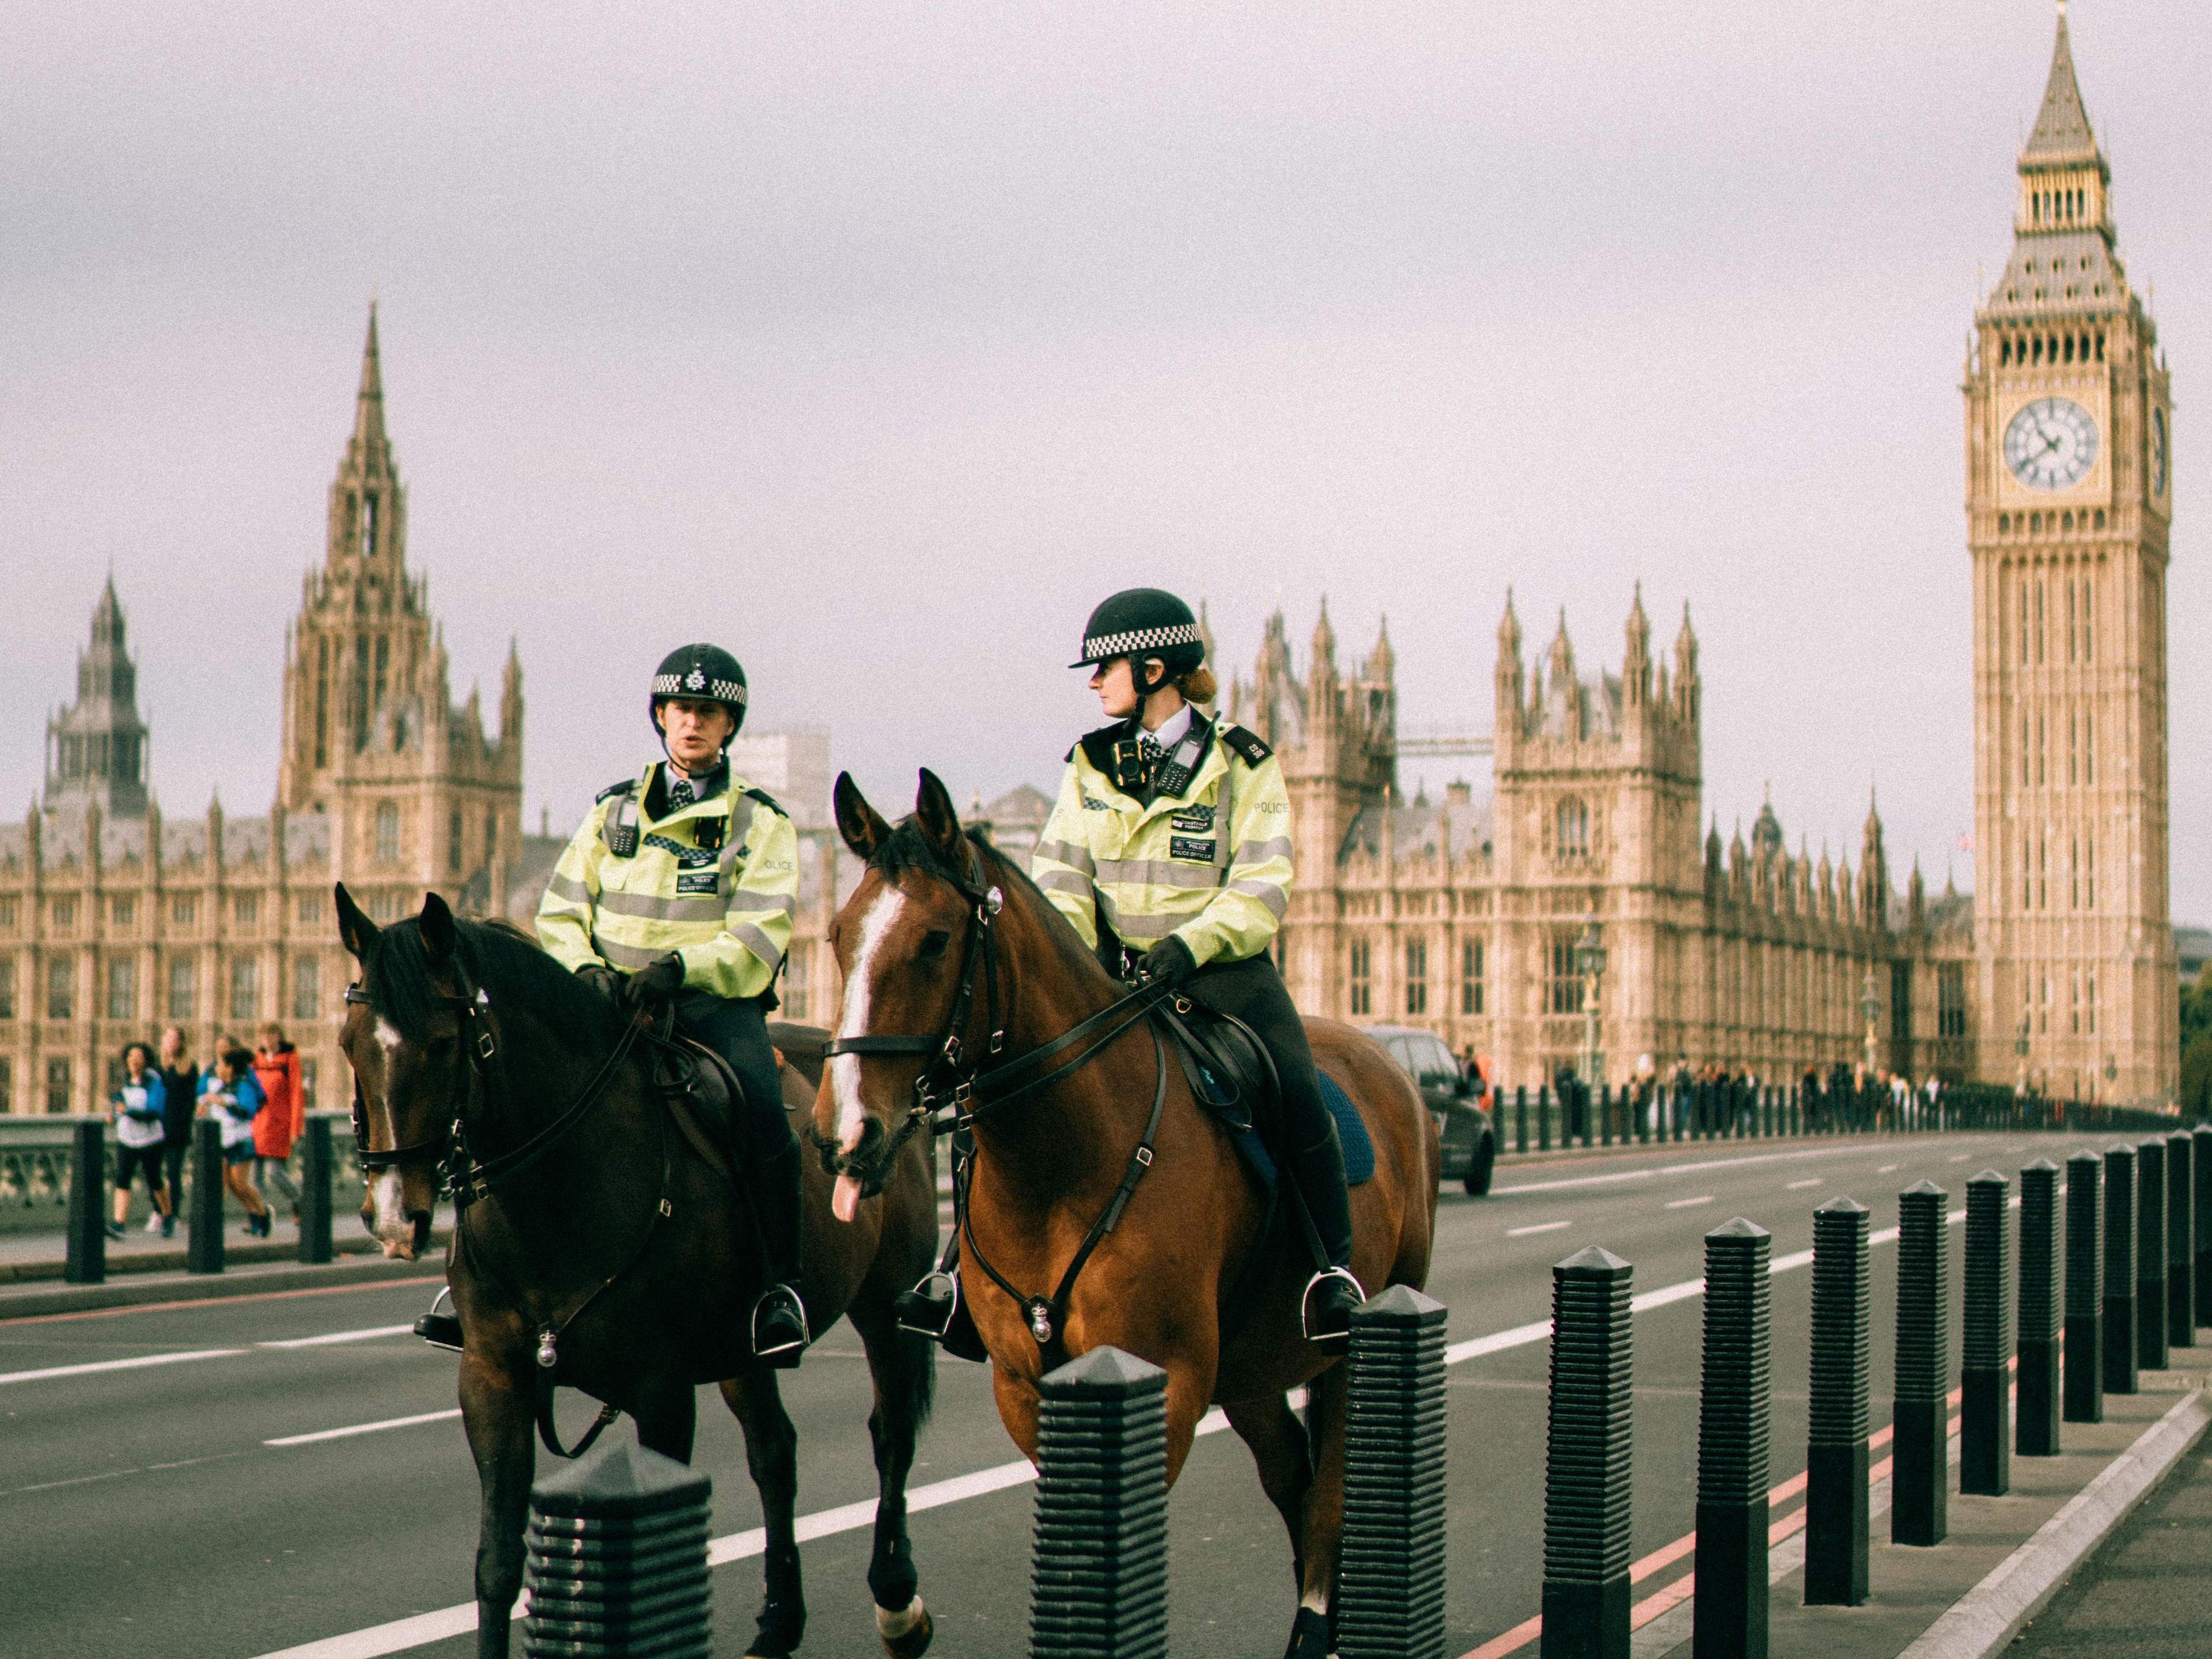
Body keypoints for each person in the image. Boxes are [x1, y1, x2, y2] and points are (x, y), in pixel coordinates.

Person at [1024, 586, 1363, 1347]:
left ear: (1153, 668)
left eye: (1103, 666)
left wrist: (1191, 945)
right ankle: (959, 1270)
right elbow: (1061, 876)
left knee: (1294, 1086)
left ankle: (1327, 1269)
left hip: (1221, 973)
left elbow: (1263, 883)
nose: (1092, 681)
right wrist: (1075, 959)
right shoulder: (1090, 765)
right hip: (1117, 979)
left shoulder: (1244, 763)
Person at [536, 643, 808, 1366]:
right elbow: (560, 910)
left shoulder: (761, 821)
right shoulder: (610, 811)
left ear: (729, 727)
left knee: (760, 1113)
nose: (692, 723)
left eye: (708, 713)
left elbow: (760, 930)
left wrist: (682, 966)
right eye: (682, 710)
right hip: (609, 1003)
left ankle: (781, 1289)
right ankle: (490, 1278)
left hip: (708, 1006)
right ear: (661, 717)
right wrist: (585, 969)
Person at [198, 1044, 273, 1237]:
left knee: (240, 1183)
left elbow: (247, 1111)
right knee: (228, 1185)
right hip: (222, 1141)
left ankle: (262, 1213)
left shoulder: (243, 1085)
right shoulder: (220, 1086)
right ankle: (249, 1214)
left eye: (221, 1065)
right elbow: (205, 1103)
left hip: (240, 1141)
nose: (217, 1069)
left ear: (230, 1067)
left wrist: (225, 1103)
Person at [107, 1043, 169, 1240]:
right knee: (122, 1178)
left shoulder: (154, 1083)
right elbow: (119, 1106)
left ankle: (167, 1215)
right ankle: (119, 1223)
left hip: (150, 1139)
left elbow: (154, 1112)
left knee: (154, 1180)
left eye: (138, 1057)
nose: (133, 1061)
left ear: (146, 1061)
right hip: (127, 1138)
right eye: (130, 1057)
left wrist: (129, 1112)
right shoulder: (124, 1081)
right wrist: (114, 1116)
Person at [251, 1022, 305, 1219]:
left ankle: (299, 1200)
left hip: (278, 1124)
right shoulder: (256, 1060)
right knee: (255, 1177)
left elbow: (297, 1094)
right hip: (257, 1123)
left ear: (279, 1037)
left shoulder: (289, 1060)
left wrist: (296, 1128)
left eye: (271, 1035)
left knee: (274, 1172)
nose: (267, 1039)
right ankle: (261, 1213)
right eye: (263, 1035)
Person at [154, 1027, 199, 1238]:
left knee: (173, 1173)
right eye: (167, 1038)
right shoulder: (157, 1068)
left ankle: (173, 1215)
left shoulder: (188, 1068)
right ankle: (160, 1210)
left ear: (182, 1043)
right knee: (154, 1174)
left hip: (177, 1128)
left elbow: (190, 1101)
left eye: (174, 1039)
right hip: (156, 1127)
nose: (170, 1043)